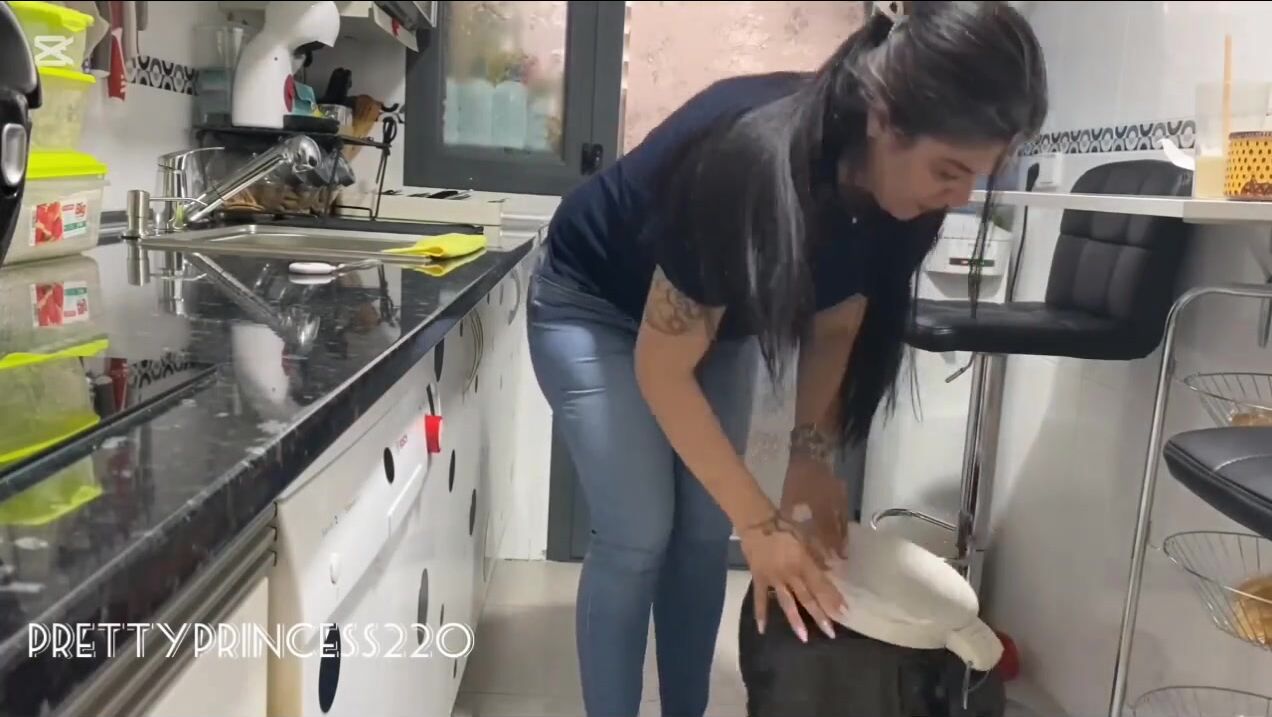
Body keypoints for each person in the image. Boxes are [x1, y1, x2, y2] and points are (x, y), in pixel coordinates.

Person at [525, 2, 1047, 715]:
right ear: (883, 118)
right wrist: (762, 525)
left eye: (977, 177)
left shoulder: (909, 206)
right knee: (638, 532)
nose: (959, 199)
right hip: (591, 300)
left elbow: (836, 325)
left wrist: (810, 456)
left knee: (703, 531)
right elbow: (662, 369)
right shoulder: (751, 160)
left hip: (712, 321)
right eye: (949, 170)